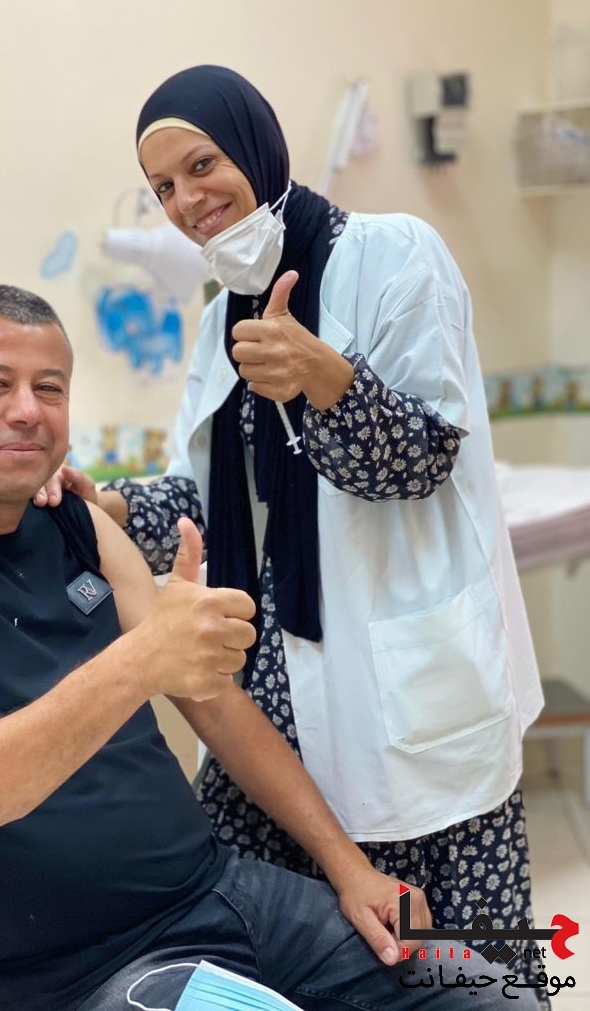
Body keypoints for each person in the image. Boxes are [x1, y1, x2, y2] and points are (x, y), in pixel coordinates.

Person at [0, 284, 531, 1011]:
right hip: (76, 973)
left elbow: (217, 707)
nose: (27, 410)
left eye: (50, 388)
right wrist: (140, 661)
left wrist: (350, 869)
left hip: (225, 894)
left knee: (498, 994)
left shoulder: (73, 523)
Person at [38, 65, 547, 1001]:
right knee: (294, 967)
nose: (187, 201)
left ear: (256, 145)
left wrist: (327, 378)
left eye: (202, 165)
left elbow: (425, 460)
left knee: (456, 973)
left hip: (402, 695)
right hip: (271, 708)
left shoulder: (396, 254)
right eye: (164, 187)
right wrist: (113, 508)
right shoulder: (217, 325)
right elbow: (206, 501)